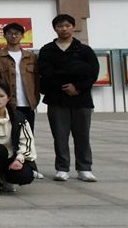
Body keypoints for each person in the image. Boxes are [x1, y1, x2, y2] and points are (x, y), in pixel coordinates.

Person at [38, 14, 100, 182]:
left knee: (82, 135)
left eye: (67, 25)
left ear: (73, 27)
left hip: (81, 99)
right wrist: (67, 81)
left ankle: (84, 168)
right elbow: (46, 73)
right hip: (57, 98)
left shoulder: (84, 50)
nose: (64, 29)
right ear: (55, 29)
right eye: (60, 26)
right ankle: (62, 168)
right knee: (60, 136)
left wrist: (77, 87)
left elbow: (92, 73)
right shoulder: (47, 50)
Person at [0, 22, 40, 130]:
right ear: (4, 36)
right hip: (6, 104)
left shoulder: (31, 56)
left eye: (17, 33)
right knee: (8, 135)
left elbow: (37, 80)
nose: (13, 36)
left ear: (22, 36)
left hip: (28, 104)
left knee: (27, 134)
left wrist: (35, 99)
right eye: (10, 33)